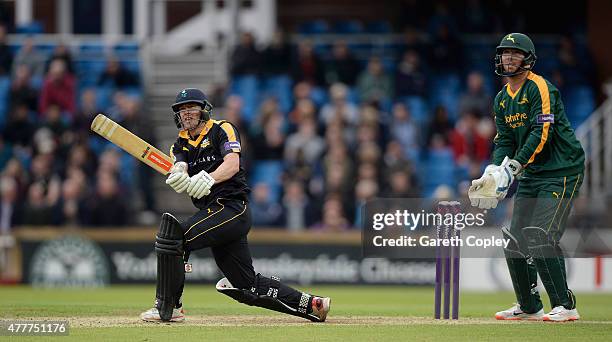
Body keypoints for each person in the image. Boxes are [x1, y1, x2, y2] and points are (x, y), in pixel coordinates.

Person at [140, 88, 331, 323]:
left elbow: (232, 164)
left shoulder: (222, 129)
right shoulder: (179, 145)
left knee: (173, 237)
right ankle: (311, 304)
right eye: (181, 110)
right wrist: (179, 174)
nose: (186, 113)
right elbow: (180, 165)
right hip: (214, 215)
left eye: (191, 108)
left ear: (204, 110)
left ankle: (169, 306)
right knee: (246, 285)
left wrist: (209, 178)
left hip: (232, 208)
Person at [468, 33, 585, 322]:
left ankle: (565, 305)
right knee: (514, 238)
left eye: (514, 53)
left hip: (561, 170)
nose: (508, 58)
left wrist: (515, 167)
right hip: (532, 173)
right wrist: (494, 171)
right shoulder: (501, 99)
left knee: (541, 236)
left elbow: (540, 133)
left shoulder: (540, 87)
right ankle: (529, 306)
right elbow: (505, 140)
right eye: (504, 53)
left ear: (527, 58)